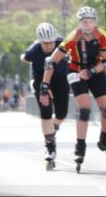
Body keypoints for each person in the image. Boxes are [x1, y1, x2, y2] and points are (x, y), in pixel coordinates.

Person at [42, 7, 106, 172]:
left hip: (95, 70)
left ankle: (105, 138)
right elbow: (51, 61)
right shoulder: (72, 37)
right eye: (84, 22)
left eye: (91, 21)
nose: (88, 25)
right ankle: (80, 146)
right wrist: (44, 86)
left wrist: (92, 71)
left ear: (96, 22)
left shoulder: (101, 35)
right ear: (79, 23)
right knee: (84, 110)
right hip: (75, 71)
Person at [22, 22, 70, 169]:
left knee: (62, 113)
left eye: (51, 43)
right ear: (39, 41)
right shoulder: (34, 50)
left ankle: (53, 128)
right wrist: (25, 59)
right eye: (45, 44)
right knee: (46, 112)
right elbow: (24, 57)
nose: (49, 46)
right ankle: (50, 147)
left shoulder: (63, 42)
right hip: (40, 80)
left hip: (60, 78)